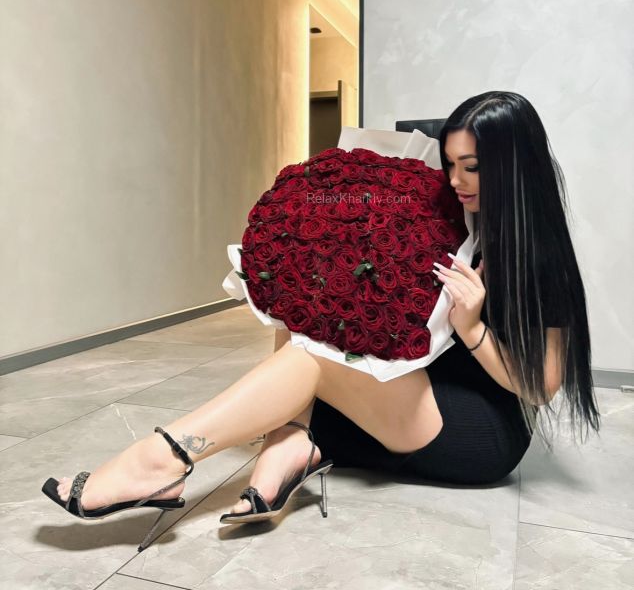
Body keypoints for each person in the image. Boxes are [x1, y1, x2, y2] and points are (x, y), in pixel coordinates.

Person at [41, 90, 601, 549]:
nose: (455, 181)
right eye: (451, 164)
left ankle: (164, 458)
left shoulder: (540, 254)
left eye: (471, 168)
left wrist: (474, 328)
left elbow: (541, 388)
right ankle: (287, 451)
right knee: (307, 310)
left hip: (479, 430)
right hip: (414, 397)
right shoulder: (465, 222)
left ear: (512, 166)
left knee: (312, 360)